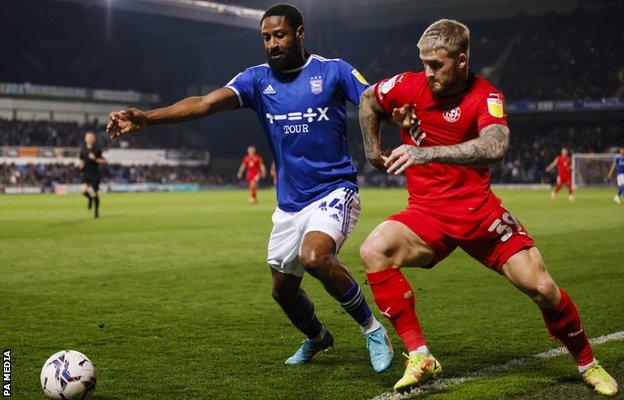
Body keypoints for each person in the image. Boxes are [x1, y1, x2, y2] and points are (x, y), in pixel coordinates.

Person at [106, 3, 393, 372]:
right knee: (283, 291)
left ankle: (372, 330)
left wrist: (401, 115)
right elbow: (205, 103)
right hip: (290, 203)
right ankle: (318, 337)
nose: (272, 43)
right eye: (266, 37)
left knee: (315, 257)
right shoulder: (257, 79)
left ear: (299, 33)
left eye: (280, 35)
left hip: (335, 190)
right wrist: (147, 118)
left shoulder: (333, 71)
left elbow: (375, 99)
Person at [358, 19, 618, 395]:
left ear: (461, 61)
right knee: (373, 250)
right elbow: (368, 99)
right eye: (424, 62)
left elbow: (495, 146)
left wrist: (425, 153)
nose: (427, 73)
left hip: (479, 214)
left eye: (437, 64)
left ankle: (587, 362)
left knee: (543, 287)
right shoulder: (407, 84)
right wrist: (372, 154)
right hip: (426, 214)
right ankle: (420, 354)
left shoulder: (486, 96)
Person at [78, 131, 106, 219]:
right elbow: (81, 160)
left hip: (95, 174)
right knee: (83, 190)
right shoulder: (83, 149)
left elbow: (104, 161)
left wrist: (95, 159)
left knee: (95, 193)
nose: (89, 138)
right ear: (86, 138)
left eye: (91, 137)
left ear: (93, 139)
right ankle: (89, 198)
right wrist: (80, 165)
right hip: (86, 173)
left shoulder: (97, 149)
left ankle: (96, 211)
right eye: (88, 137)